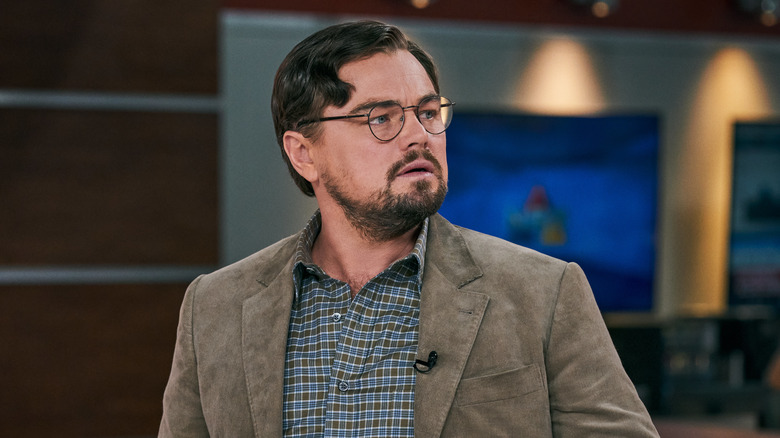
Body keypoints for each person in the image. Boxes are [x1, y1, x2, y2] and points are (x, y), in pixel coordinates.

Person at [159, 20, 659, 437]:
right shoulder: (214, 307)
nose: (419, 135)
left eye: (426, 112)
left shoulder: (544, 293)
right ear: (303, 154)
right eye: (381, 118)